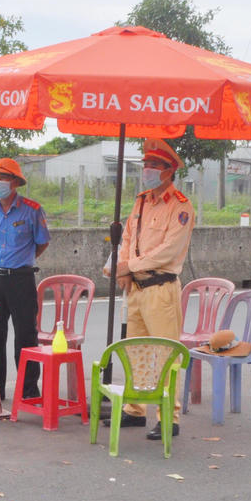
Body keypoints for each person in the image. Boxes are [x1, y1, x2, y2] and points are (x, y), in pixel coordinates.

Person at [102, 138, 195, 441]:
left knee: (166, 354)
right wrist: (120, 269)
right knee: (135, 350)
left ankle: (169, 416)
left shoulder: (180, 206)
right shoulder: (141, 201)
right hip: (137, 289)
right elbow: (128, 237)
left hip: (161, 288)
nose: (148, 170)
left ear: (170, 170)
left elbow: (169, 250)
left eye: (155, 165)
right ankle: (134, 409)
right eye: (146, 164)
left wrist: (131, 266)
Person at [0, 157, 51, 401]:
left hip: (21, 278)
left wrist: (21, 260)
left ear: (15, 182)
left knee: (26, 335)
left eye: (3, 178)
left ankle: (28, 391)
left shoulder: (32, 210)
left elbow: (42, 243)